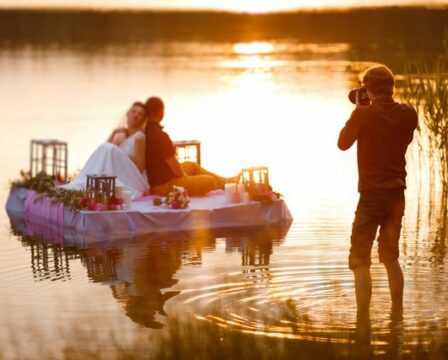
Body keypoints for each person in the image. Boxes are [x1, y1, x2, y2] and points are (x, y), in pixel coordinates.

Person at [337, 65, 418, 313]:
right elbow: (402, 137)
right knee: (390, 256)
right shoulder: (408, 113)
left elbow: (342, 144)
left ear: (368, 89)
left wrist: (360, 111)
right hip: (397, 195)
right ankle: (397, 315)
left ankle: (363, 322)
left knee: (360, 259)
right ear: (392, 87)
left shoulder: (363, 115)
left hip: (372, 196)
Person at [144, 96, 235, 196]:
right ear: (161, 112)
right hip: (165, 186)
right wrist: (185, 177)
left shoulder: (146, 132)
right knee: (209, 181)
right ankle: (226, 185)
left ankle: (227, 180)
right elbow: (177, 171)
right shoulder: (161, 136)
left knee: (192, 166)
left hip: (160, 179)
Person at [63, 102, 149, 199]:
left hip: (132, 178)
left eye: (140, 114)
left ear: (143, 120)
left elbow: (140, 168)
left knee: (110, 148)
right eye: (134, 111)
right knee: (106, 147)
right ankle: (87, 179)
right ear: (128, 113)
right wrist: (114, 133)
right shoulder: (121, 134)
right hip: (117, 174)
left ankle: (94, 181)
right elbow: (103, 152)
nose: (136, 115)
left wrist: (122, 160)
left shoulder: (139, 138)